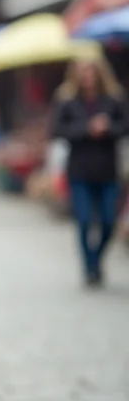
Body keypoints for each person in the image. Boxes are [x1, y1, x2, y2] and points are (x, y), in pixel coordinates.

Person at [51, 56, 127, 287]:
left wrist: (107, 128)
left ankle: (96, 258)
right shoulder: (67, 100)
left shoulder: (113, 99)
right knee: (84, 221)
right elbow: (57, 130)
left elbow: (124, 126)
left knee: (107, 222)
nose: (87, 77)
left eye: (91, 72)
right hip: (80, 170)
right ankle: (90, 268)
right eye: (83, 72)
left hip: (107, 169)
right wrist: (86, 129)